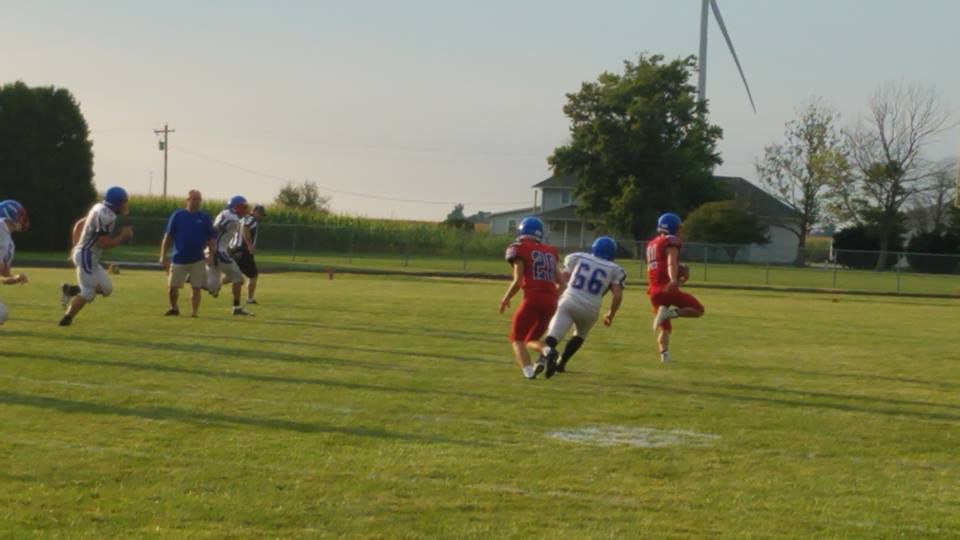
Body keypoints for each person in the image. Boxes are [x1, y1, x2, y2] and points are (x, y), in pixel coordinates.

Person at [540, 236, 625, 377]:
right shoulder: (614, 269)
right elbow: (617, 295)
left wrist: (552, 296)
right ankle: (562, 363)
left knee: (554, 335)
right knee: (580, 335)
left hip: (569, 301)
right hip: (590, 309)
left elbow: (562, 280)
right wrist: (610, 314)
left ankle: (543, 360)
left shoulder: (577, 257)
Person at [498, 217, 563, 379]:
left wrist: (505, 298)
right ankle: (547, 350)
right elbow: (563, 284)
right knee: (531, 339)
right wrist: (552, 296)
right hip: (552, 300)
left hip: (533, 298)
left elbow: (518, 281)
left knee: (517, 338)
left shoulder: (518, 249)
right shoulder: (550, 251)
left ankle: (528, 372)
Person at [59, 186, 134, 327]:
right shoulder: (107, 215)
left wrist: (75, 246)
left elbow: (79, 224)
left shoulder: (98, 207)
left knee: (106, 289)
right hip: (87, 255)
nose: (125, 204)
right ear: (117, 202)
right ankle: (66, 319)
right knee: (89, 293)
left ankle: (72, 290)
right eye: (124, 202)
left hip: (89, 255)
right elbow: (103, 243)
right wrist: (122, 237)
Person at [646, 213, 704, 362]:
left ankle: (664, 356)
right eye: (679, 228)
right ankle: (670, 313)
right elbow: (671, 261)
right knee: (698, 309)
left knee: (665, 329)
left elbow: (659, 266)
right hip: (667, 289)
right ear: (672, 227)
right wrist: (673, 279)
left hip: (653, 291)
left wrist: (680, 269)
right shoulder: (670, 242)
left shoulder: (652, 244)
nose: (680, 231)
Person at [159, 190, 216, 317]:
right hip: (179, 258)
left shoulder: (204, 217)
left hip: (198, 259)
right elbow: (168, 236)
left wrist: (211, 255)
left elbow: (211, 239)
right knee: (172, 286)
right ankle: (174, 308)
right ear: (187, 200)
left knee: (196, 287)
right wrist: (163, 255)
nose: (196, 202)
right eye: (194, 199)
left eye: (198, 199)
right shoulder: (178, 215)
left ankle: (194, 313)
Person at [207, 195, 253, 316]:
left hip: (216, 251)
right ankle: (236, 308)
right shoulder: (230, 217)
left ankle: (196, 279)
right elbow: (213, 231)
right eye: (244, 207)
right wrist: (212, 251)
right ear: (236, 207)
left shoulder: (229, 215)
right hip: (218, 252)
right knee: (238, 278)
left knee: (212, 289)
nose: (246, 209)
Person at [0, 200, 30, 325]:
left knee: (2, 314)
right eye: (19, 215)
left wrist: (16, 278)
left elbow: (3, 276)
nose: (22, 219)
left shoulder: (10, 245)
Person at [229, 203, 265, 304]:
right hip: (244, 252)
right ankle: (249, 298)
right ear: (255, 212)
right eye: (260, 214)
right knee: (253, 275)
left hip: (234, 249)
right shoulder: (251, 219)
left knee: (233, 275)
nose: (261, 216)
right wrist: (249, 245)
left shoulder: (242, 218)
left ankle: (213, 285)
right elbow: (246, 229)